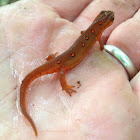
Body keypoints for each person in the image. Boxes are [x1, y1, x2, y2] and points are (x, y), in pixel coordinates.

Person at [0, 0, 139, 139]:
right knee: (61, 68)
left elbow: (89, 36)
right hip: (62, 63)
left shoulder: (94, 30)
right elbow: (97, 42)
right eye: (110, 19)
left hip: (61, 59)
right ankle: (63, 85)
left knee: (60, 62)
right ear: (106, 23)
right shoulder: (96, 33)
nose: (110, 18)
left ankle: (51, 59)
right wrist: (65, 86)